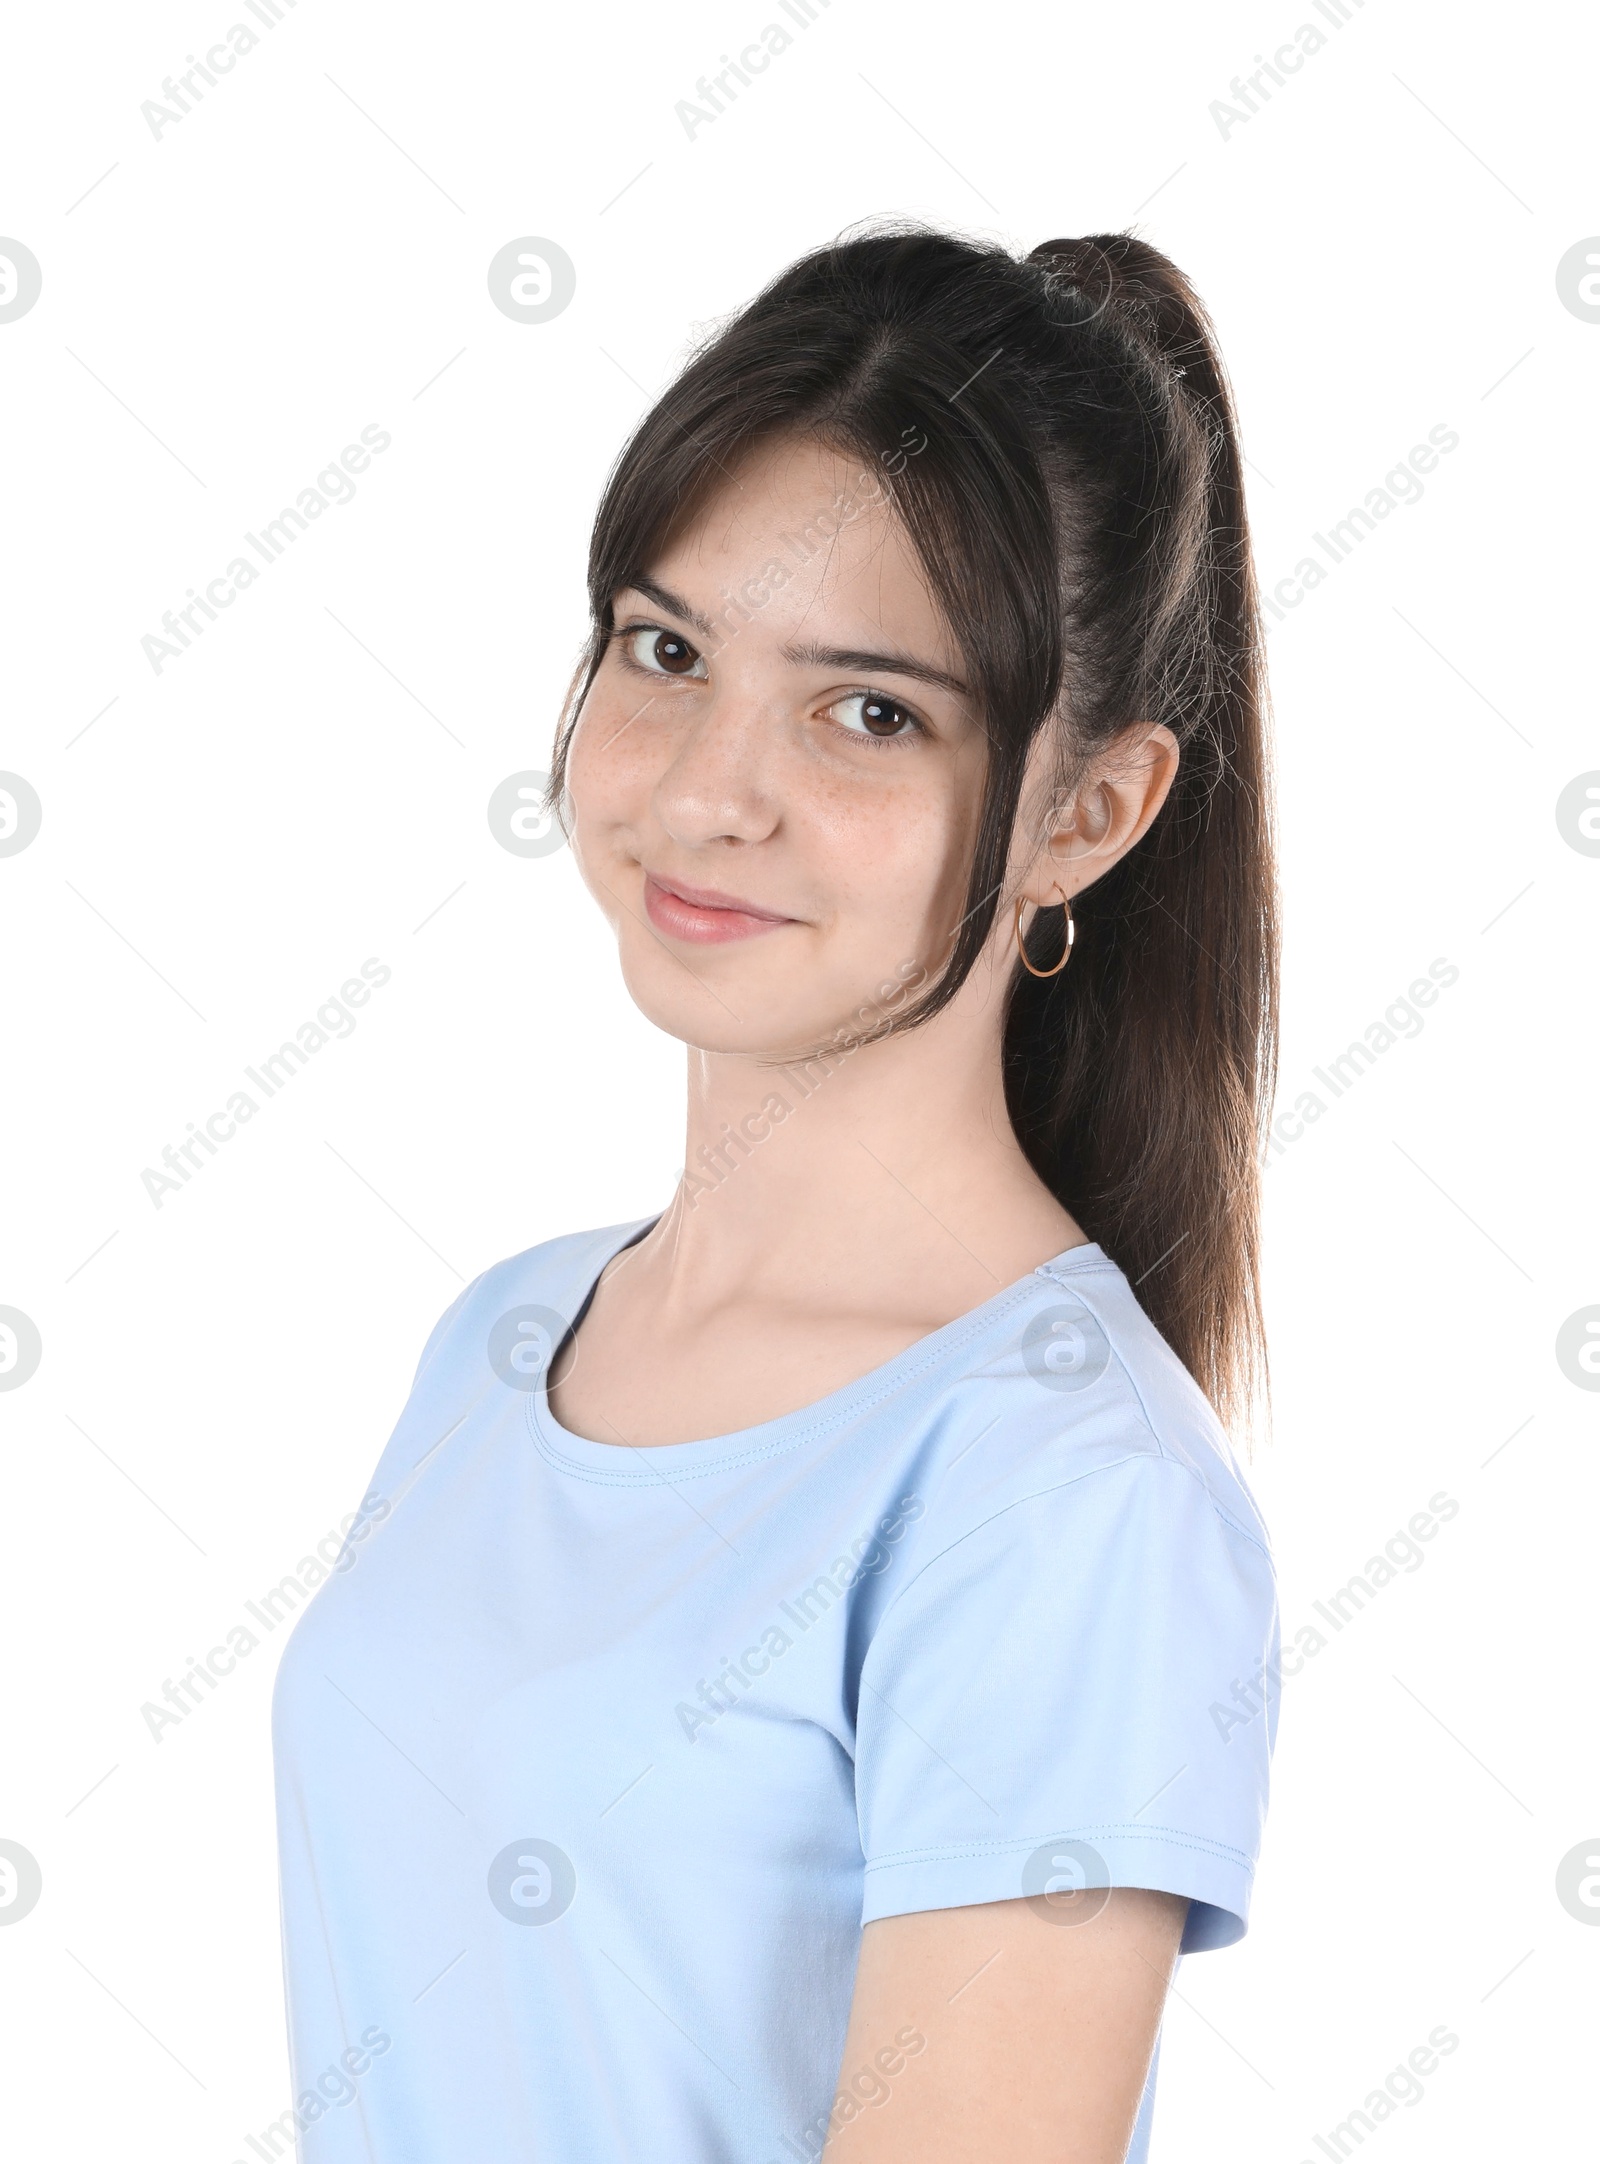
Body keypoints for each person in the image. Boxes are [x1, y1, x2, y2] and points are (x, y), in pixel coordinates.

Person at [273, 223, 1281, 2164]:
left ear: (1087, 809)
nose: (703, 787)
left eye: (866, 708)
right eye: (666, 650)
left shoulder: (1061, 1494)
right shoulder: (498, 1341)